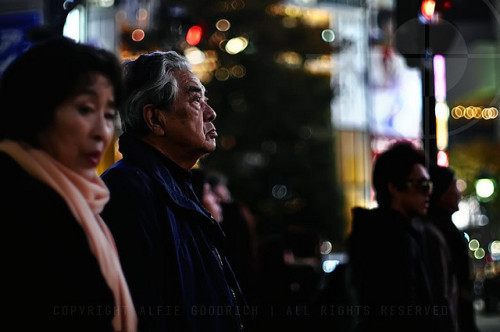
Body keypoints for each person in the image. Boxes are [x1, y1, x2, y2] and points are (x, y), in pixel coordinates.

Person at [100, 51, 246, 331]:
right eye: (195, 99)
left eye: (206, 99)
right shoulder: (127, 191)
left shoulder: (178, 187)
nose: (210, 112)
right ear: (155, 119)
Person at [0, 36, 137, 331]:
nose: (102, 132)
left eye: (109, 114)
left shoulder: (84, 204)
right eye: (85, 109)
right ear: (35, 109)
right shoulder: (20, 206)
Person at [347, 141, 439, 332]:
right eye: (421, 185)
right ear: (394, 188)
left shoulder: (375, 232)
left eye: (428, 185)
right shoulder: (395, 240)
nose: (428, 193)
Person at [426, 165, 479, 332]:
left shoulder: (438, 230)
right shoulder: (441, 234)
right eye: (454, 186)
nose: (459, 193)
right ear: (441, 193)